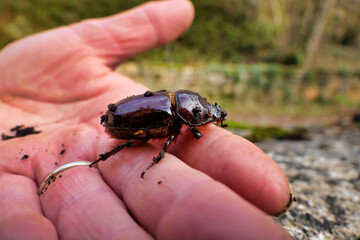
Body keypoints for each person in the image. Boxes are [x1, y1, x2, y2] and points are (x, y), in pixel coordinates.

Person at [0, 0, 293, 239]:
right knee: (136, 141)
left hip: (123, 115)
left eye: (206, 116)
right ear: (190, 114)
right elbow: (169, 137)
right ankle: (105, 157)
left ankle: (107, 157)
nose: (205, 120)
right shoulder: (169, 113)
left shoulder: (179, 107)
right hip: (121, 123)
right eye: (204, 116)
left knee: (141, 143)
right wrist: (161, 155)